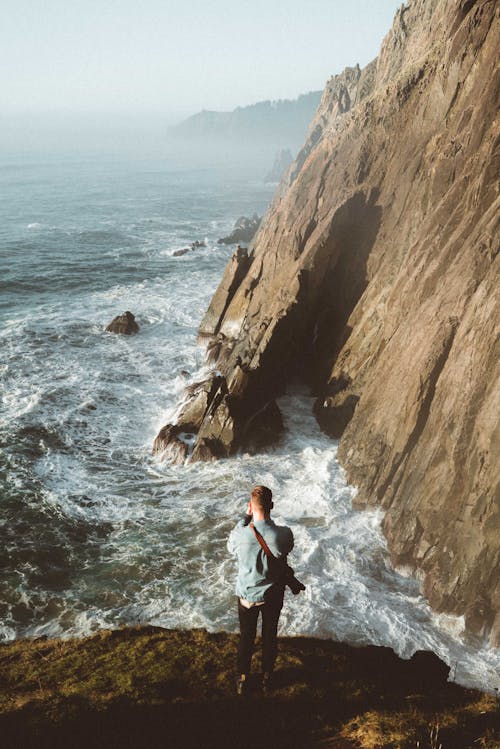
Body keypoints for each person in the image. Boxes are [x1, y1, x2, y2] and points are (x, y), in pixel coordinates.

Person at [227, 485, 294, 696]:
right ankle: (267, 677)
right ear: (272, 506)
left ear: (250, 506)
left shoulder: (240, 534)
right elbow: (285, 548)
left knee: (246, 638)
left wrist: (244, 518)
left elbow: (231, 547)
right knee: (269, 636)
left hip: (246, 595)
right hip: (271, 596)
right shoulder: (282, 535)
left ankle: (243, 679)